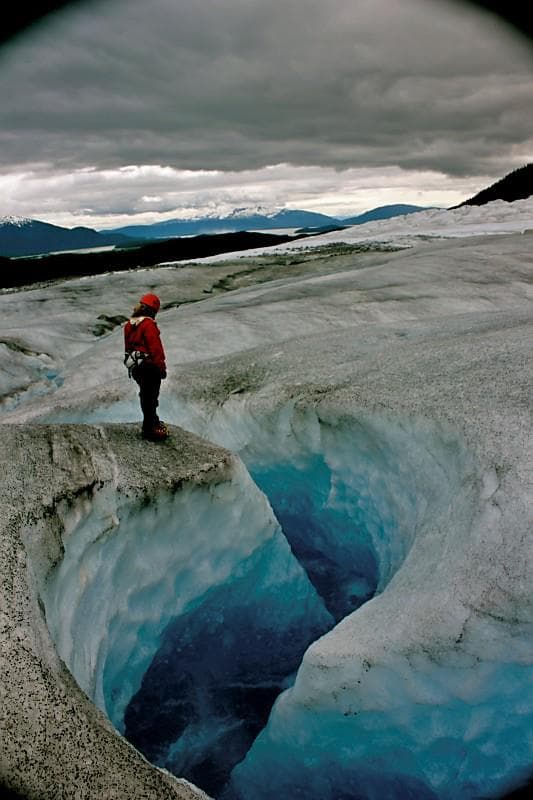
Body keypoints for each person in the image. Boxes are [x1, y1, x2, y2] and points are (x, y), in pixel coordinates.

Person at [124, 292, 168, 440]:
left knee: (145, 395)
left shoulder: (129, 324)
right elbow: (155, 348)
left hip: (136, 366)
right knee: (151, 397)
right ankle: (150, 429)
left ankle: (151, 422)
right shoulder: (148, 324)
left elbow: (128, 347)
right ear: (152, 309)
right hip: (149, 367)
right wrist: (161, 368)